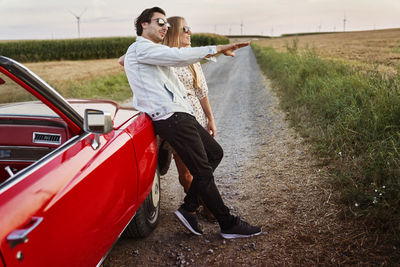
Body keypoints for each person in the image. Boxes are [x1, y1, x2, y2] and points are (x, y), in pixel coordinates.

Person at [123, 6, 261, 239]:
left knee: (215, 153)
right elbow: (175, 57)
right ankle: (228, 223)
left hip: (182, 114)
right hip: (170, 116)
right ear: (144, 24)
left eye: (166, 24)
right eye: (159, 22)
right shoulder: (140, 48)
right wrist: (216, 49)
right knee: (202, 169)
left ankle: (188, 208)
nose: (164, 26)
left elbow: (165, 56)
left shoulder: (146, 50)